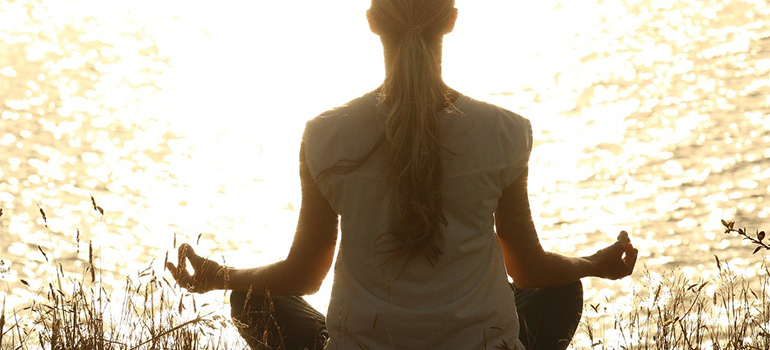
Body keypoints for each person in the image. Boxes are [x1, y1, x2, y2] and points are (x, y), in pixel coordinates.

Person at [166, 1, 639, 349]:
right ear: (452, 20)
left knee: (251, 299)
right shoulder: (505, 131)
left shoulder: (325, 134)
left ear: (372, 22)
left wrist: (220, 276)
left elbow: (303, 276)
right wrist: (592, 265)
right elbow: (529, 269)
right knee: (561, 285)